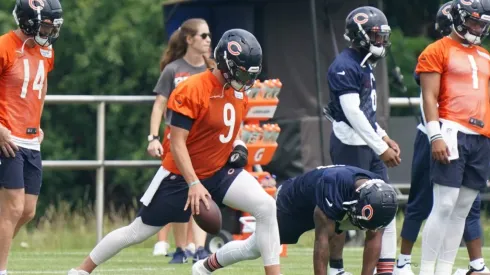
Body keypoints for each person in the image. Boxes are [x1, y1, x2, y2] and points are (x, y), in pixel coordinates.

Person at [68, 28, 281, 275]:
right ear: (226, 63)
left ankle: (232, 269)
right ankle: (81, 270)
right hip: (180, 177)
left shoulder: (238, 94)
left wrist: (239, 146)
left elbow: (233, 130)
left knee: (266, 206)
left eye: (250, 74)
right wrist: (193, 183)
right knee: (136, 232)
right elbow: (177, 142)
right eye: (243, 72)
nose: (246, 80)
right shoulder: (192, 88)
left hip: (219, 171)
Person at [394, 2, 488, 274]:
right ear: (458, 20)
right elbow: (429, 97)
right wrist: (435, 134)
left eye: (481, 23)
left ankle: (444, 269)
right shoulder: (436, 50)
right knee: (444, 204)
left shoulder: (484, 55)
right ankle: (426, 270)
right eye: (473, 22)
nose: (478, 28)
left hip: (481, 137)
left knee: (463, 209)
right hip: (451, 130)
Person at [192, 164, 398, 275]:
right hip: (292, 204)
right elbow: (322, 239)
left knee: (342, 221)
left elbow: (374, 234)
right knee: (253, 248)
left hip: (331, 201)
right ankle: (203, 267)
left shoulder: (378, 197)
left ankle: (338, 271)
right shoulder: (334, 186)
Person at [325, 6, 400, 275]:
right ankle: (336, 268)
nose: (381, 41)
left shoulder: (365, 63)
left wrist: (383, 136)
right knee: (345, 213)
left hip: (368, 146)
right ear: (360, 35)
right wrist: (380, 147)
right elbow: (353, 114)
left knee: (385, 207)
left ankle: (384, 271)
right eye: (376, 35)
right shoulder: (344, 66)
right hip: (350, 147)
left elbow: (366, 114)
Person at [0, 1, 62, 274]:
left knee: (27, 211)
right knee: (12, 208)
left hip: (30, 138)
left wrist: (37, 122)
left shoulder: (47, 50)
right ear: (28, 20)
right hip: (7, 136)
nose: (50, 29)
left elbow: (42, 85)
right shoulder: (4, 46)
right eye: (46, 23)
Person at [147, 18, 213, 263]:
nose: (208, 40)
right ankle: (182, 248)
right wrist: (153, 137)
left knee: (204, 190)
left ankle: (200, 248)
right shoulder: (174, 69)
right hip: (176, 139)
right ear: (189, 39)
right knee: (179, 191)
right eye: (203, 36)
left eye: (209, 36)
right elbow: (159, 105)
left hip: (204, 141)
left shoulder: (211, 69)